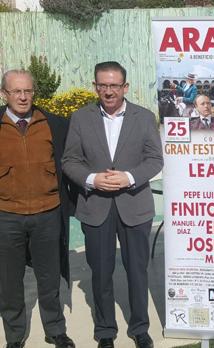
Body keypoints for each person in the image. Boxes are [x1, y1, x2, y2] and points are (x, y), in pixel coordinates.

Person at [62, 61, 163, 348]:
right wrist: (92, 179)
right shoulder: (81, 118)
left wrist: (129, 177)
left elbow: (155, 159)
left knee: (137, 270)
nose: (108, 91)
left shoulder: (143, 118)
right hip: (96, 207)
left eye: (114, 85)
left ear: (125, 87)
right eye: (103, 85)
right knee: (101, 272)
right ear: (95, 86)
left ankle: (140, 328)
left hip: (135, 207)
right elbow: (70, 160)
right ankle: (105, 331)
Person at [0, 70, 75, 348]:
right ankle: (15, 335)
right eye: (16, 91)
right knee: (9, 283)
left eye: (28, 91)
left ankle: (55, 330)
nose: (22, 97)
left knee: (49, 278)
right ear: (4, 94)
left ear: (34, 92)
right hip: (7, 216)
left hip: (48, 213)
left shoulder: (53, 124)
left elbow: (72, 163)